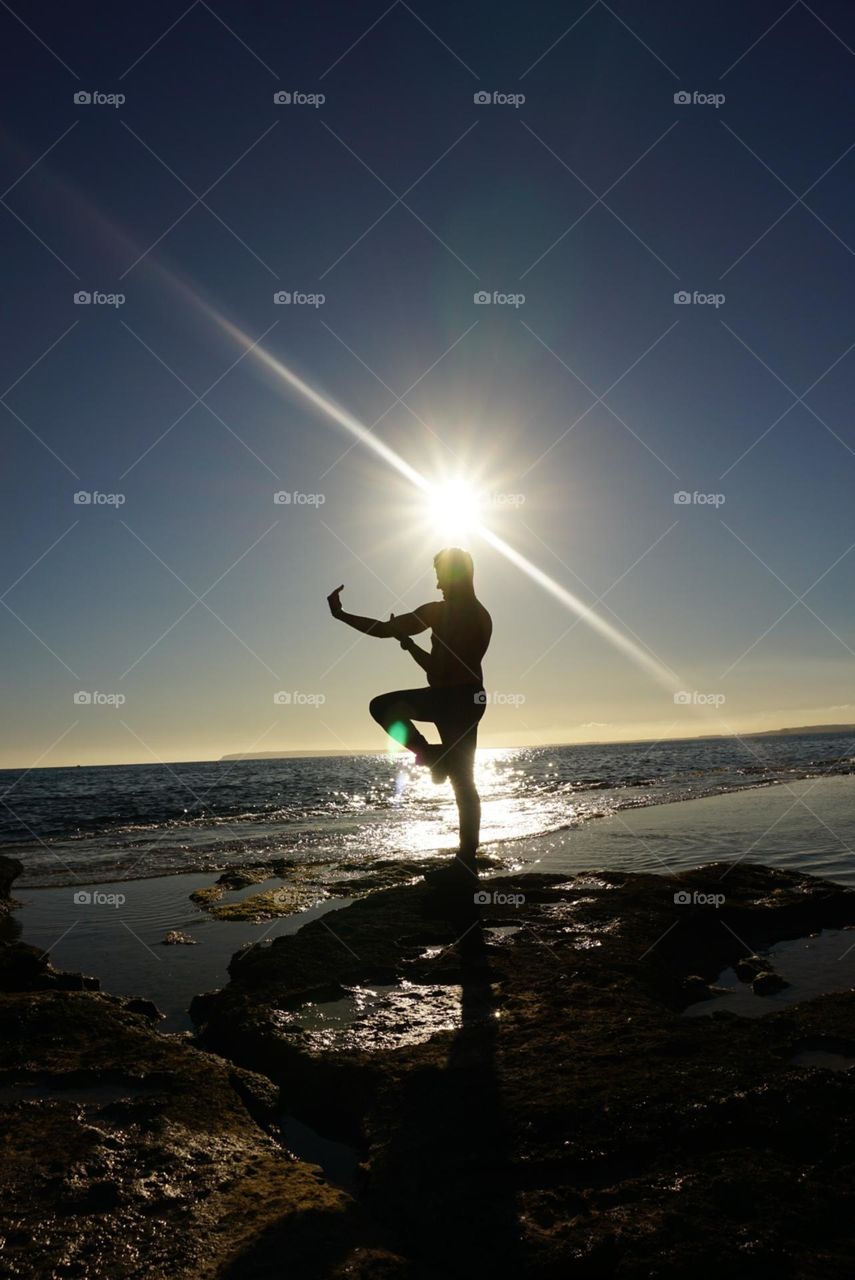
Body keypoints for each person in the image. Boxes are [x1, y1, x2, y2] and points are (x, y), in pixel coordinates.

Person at [327, 547, 492, 880]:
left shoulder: (442, 613)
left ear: (457, 576)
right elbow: (435, 665)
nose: (438, 584)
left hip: (452, 700)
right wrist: (409, 644)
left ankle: (432, 757)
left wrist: (341, 615)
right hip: (469, 698)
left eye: (441, 577)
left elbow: (389, 635)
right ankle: (466, 861)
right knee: (464, 780)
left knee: (383, 707)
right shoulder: (480, 614)